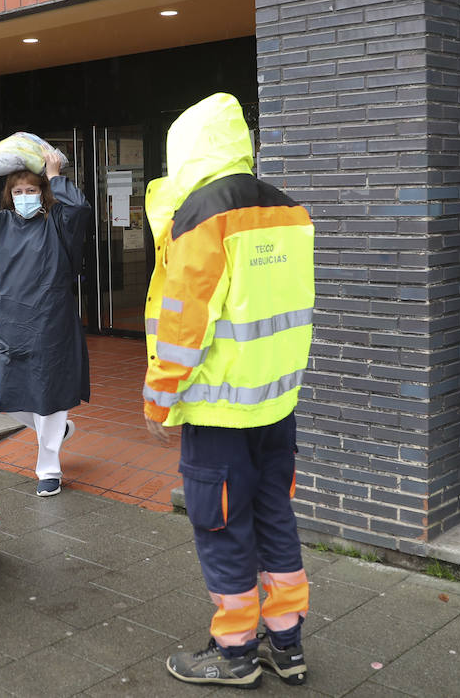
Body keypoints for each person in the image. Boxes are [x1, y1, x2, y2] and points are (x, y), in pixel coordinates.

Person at [141, 93, 315, 688]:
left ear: (187, 147)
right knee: (274, 517)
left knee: (221, 528)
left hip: (218, 411)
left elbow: (185, 322)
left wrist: (160, 397)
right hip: (277, 406)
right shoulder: (289, 210)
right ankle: (286, 644)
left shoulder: (201, 213)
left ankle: (235, 652)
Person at [0, 146, 91, 496]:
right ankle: (55, 432)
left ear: (42, 193)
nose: (24, 196)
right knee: (10, 394)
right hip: (11, 323)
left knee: (49, 396)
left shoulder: (57, 223)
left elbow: (79, 209)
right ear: (9, 195)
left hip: (51, 322)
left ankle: (49, 470)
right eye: (17, 191)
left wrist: (55, 176)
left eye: (31, 190)